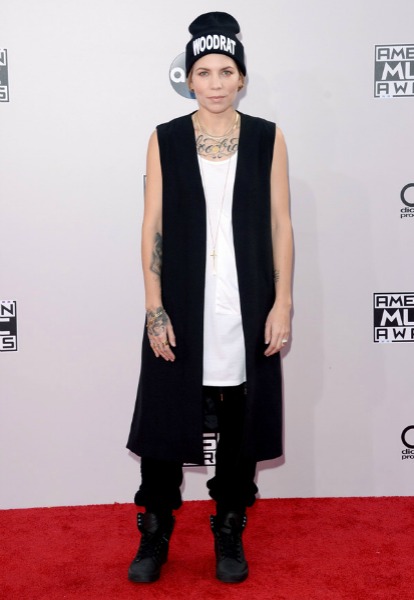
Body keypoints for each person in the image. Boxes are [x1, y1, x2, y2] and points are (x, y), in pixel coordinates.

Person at [126, 11, 293, 584]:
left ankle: (228, 527)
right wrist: (154, 307)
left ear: (242, 78)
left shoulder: (268, 137)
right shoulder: (166, 138)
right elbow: (151, 224)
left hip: (248, 305)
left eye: (226, 72)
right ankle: (155, 531)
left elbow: (281, 224)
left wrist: (283, 302)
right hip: (180, 305)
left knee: (240, 426)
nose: (216, 83)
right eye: (204, 72)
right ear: (188, 78)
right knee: (165, 422)